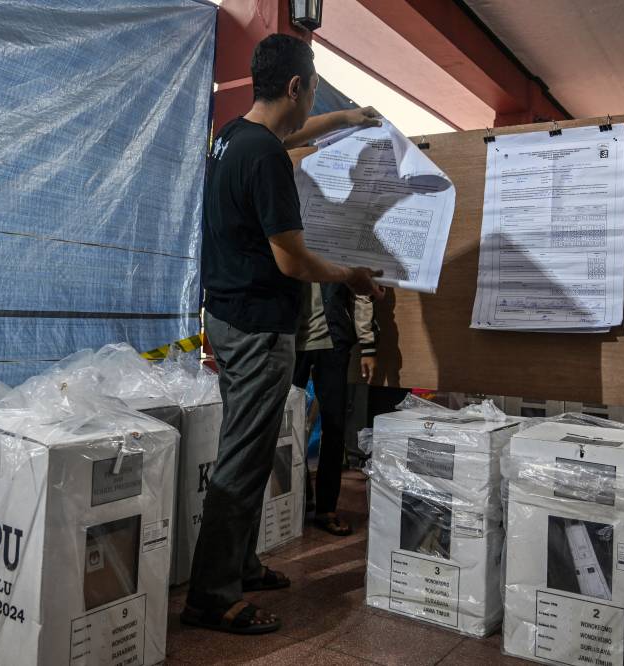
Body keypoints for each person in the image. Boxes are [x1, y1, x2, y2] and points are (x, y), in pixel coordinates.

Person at [182, 34, 384, 636]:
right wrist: (349, 275)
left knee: (250, 444)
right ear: (295, 86)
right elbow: (293, 262)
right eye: (315, 89)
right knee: (244, 458)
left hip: (227, 316)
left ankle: (241, 565)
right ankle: (211, 596)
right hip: (258, 326)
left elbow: (290, 135)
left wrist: (349, 117)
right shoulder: (265, 158)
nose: (313, 99)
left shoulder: (232, 139)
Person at [293, 285, 375, 536]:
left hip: (333, 342)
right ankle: (298, 496)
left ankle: (326, 508)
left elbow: (362, 293)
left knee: (334, 425)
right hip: (290, 341)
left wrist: (368, 343)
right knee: (286, 425)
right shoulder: (287, 245)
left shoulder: (340, 246)